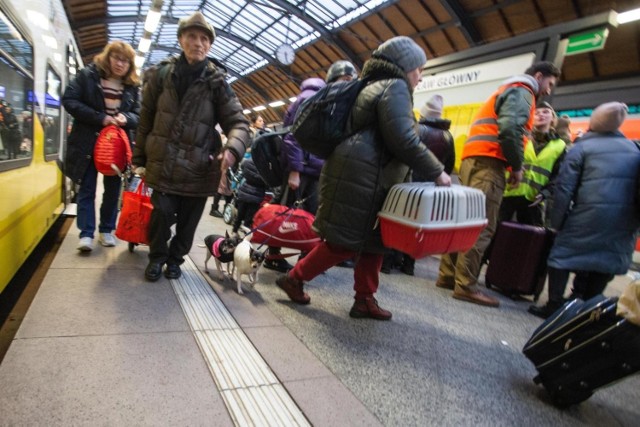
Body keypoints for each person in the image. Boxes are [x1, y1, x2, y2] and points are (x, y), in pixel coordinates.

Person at [274, 36, 451, 320]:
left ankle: (365, 299)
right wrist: (437, 171)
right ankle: (295, 277)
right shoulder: (395, 87)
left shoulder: (372, 85)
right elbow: (403, 138)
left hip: (363, 174)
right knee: (343, 243)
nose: (420, 75)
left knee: (375, 241)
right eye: (419, 69)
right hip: (364, 178)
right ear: (405, 66)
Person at [133, 11, 251, 281]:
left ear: (209, 45)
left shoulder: (217, 83)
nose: (198, 43)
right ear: (181, 40)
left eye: (204, 39)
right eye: (191, 37)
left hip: (199, 167)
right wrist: (138, 158)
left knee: (188, 221)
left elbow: (239, 123)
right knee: (161, 214)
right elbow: (146, 119)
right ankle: (157, 257)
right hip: (163, 162)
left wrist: (232, 149)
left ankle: (176, 259)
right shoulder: (161, 75)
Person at [435, 61, 561, 307]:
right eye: (550, 84)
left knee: (463, 221)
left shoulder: (508, 89)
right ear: (538, 76)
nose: (548, 90)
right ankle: (466, 286)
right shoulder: (523, 91)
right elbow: (511, 129)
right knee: (481, 225)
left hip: (476, 160)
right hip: (490, 163)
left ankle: (449, 276)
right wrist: (516, 166)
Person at [528, 102, 640, 318]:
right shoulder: (634, 149)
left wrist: (557, 224)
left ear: (594, 122)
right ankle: (584, 306)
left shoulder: (582, 148)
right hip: (625, 223)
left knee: (560, 257)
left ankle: (554, 305)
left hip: (587, 217)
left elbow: (564, 189)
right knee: (605, 263)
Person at [62, 41, 140, 252]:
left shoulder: (132, 86)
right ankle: (86, 234)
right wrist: (100, 118)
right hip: (88, 142)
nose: (120, 63)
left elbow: (139, 115)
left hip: (117, 147)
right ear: (108, 57)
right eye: (116, 58)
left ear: (130, 65)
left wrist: (126, 117)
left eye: (125, 60)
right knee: (86, 189)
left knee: (113, 191)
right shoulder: (87, 76)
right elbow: (69, 99)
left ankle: (106, 230)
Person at [381, 94, 455, 275]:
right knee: (419, 226)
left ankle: (387, 263)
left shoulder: (417, 130)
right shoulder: (448, 137)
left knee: (399, 221)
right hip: (430, 188)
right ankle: (409, 265)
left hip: (409, 183)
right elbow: (449, 165)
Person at [263, 77, 326, 273]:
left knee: (306, 216)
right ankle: (273, 256)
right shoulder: (310, 99)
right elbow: (293, 137)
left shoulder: (317, 99)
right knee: (286, 213)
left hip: (312, 168)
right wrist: (295, 170)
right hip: (303, 168)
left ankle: (305, 259)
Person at [498, 101, 567, 226]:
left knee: (530, 239)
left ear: (553, 118)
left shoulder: (560, 146)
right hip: (508, 194)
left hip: (533, 200)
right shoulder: (520, 138)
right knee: (497, 233)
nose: (541, 115)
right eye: (537, 113)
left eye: (546, 112)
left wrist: (545, 193)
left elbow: (558, 176)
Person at [210, 114, 265, 217]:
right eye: (260, 121)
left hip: (240, 162)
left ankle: (227, 208)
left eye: (262, 121)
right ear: (253, 123)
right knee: (223, 186)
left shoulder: (257, 133)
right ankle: (214, 208)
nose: (263, 122)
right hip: (234, 161)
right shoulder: (250, 133)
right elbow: (244, 148)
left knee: (230, 188)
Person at [232, 154, 267, 236]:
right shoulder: (266, 168)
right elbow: (267, 183)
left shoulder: (247, 162)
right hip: (257, 195)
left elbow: (239, 176)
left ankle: (234, 232)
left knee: (239, 215)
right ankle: (245, 236)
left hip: (244, 191)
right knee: (249, 218)